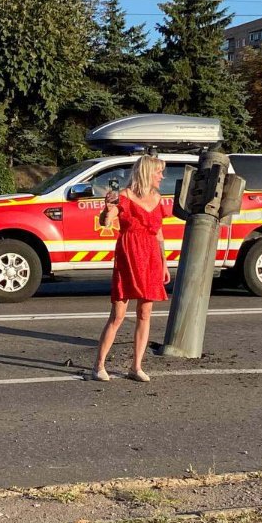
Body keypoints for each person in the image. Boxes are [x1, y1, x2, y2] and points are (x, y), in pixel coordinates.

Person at [92, 155, 170, 382]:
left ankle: (136, 366)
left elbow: (158, 232)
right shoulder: (123, 196)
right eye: (159, 172)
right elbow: (106, 223)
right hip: (128, 254)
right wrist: (107, 210)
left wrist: (164, 261)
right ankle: (98, 366)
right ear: (147, 172)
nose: (162, 176)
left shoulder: (157, 197)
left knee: (145, 313)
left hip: (151, 257)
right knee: (118, 315)